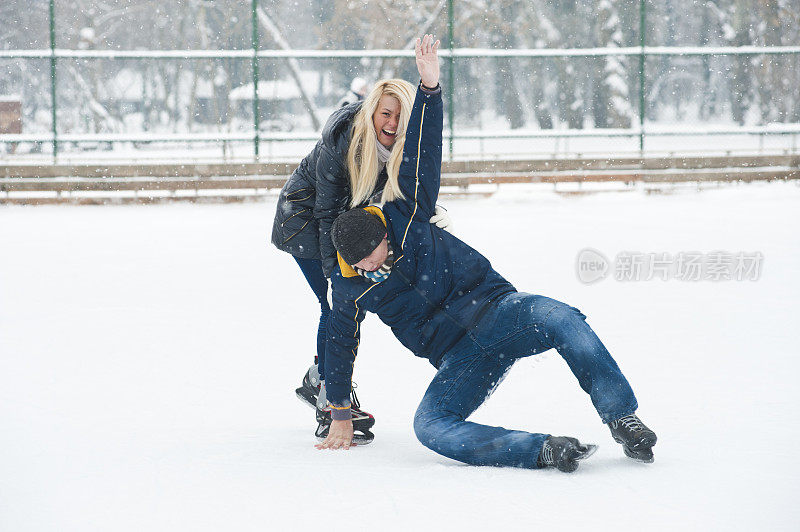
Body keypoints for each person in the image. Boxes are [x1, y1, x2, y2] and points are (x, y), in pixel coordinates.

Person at [315, 35, 657, 472]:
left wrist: (430, 91)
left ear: (383, 231)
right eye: (361, 265)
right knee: (430, 427)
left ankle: (622, 416)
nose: (371, 266)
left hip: (501, 311)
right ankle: (543, 450)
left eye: (375, 255)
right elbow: (340, 342)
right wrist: (340, 414)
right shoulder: (351, 287)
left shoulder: (407, 215)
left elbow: (422, 155)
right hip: (461, 359)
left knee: (563, 318)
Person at [271, 69, 452, 443]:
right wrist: (336, 277)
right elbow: (326, 215)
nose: (393, 122)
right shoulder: (343, 144)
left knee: (349, 302)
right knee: (335, 304)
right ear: (372, 112)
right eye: (386, 113)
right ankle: (329, 402)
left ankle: (317, 378)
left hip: (347, 224)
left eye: (401, 114)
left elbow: (406, 193)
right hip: (305, 223)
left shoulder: (405, 146)